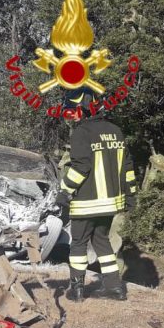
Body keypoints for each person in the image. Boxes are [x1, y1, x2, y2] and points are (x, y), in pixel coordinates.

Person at [55, 89, 137, 302]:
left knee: (79, 244)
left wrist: (65, 191)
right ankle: (114, 287)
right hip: (110, 204)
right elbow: (128, 166)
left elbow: (81, 167)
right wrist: (131, 195)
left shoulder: (82, 133)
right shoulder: (116, 131)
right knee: (102, 241)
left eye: (73, 110)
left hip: (86, 203)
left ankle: (77, 290)